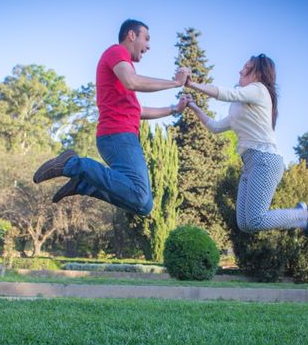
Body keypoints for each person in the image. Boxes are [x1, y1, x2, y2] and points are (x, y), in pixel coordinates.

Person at [33, 19, 190, 216]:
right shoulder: (116, 52)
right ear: (131, 35)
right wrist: (175, 83)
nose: (148, 46)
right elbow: (132, 82)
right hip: (117, 135)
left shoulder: (124, 69)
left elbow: (138, 111)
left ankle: (84, 184)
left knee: (144, 205)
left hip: (121, 136)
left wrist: (174, 109)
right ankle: (71, 164)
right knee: (140, 196)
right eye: (146, 38)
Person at [184, 54, 308, 238]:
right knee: (245, 224)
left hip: (265, 160)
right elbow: (216, 127)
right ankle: (301, 219)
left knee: (256, 218)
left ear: (257, 73)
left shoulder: (259, 90)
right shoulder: (239, 107)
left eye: (246, 67)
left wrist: (191, 84)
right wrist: (192, 106)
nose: (240, 71)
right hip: (250, 164)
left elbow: (228, 93)